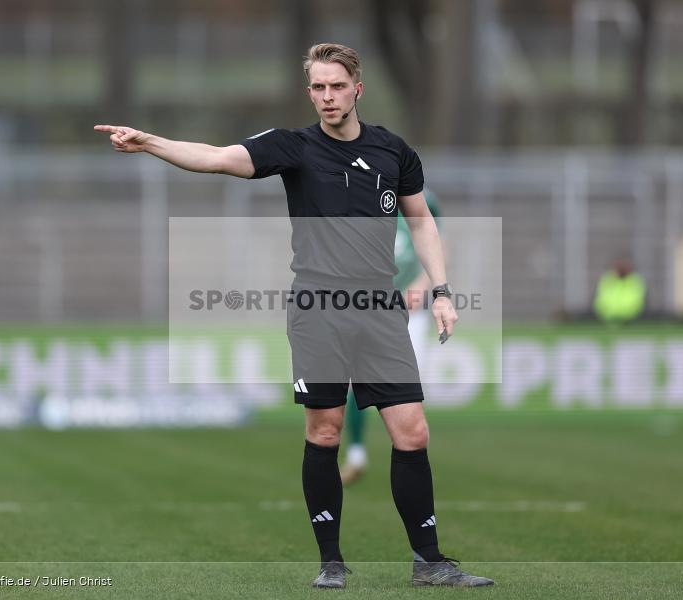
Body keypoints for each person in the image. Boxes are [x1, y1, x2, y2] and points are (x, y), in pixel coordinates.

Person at [95, 42, 493, 589]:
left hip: (379, 307)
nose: (327, 97)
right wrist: (150, 143)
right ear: (310, 92)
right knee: (325, 431)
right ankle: (331, 561)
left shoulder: (393, 151)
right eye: (317, 88)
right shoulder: (293, 147)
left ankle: (430, 561)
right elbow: (215, 157)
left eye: (336, 86)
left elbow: (421, 220)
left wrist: (442, 290)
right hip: (319, 307)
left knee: (413, 432)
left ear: (358, 88)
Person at [340, 187, 441, 485]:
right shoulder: (359, 194)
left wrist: (423, 284)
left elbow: (438, 241)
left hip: (410, 310)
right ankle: (357, 454)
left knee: (404, 387)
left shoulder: (423, 199)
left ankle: (409, 458)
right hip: (369, 306)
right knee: (356, 382)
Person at [593, 258, 646, 324]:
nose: (621, 269)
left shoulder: (635, 280)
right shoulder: (608, 279)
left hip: (630, 316)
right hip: (608, 315)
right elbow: (601, 297)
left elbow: (639, 298)